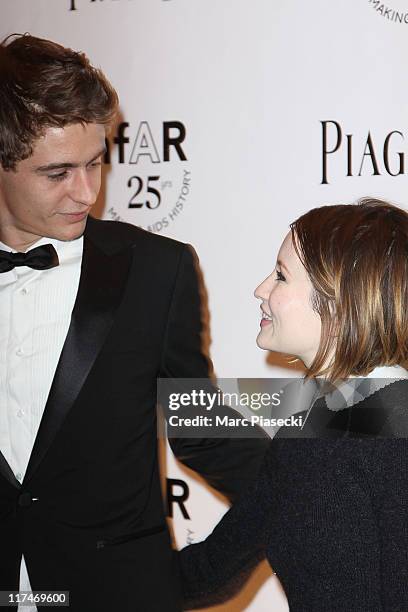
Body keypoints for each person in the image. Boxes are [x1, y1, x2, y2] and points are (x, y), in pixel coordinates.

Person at [0, 34, 269, 612]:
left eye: (96, 163)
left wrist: (307, 490)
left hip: (112, 592)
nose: (88, 192)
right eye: (57, 172)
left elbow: (202, 426)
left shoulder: (156, 270)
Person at [178, 198, 408, 611]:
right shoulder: (302, 435)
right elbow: (209, 569)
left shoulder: (398, 436)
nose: (261, 290)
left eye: (281, 277)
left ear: (340, 301)